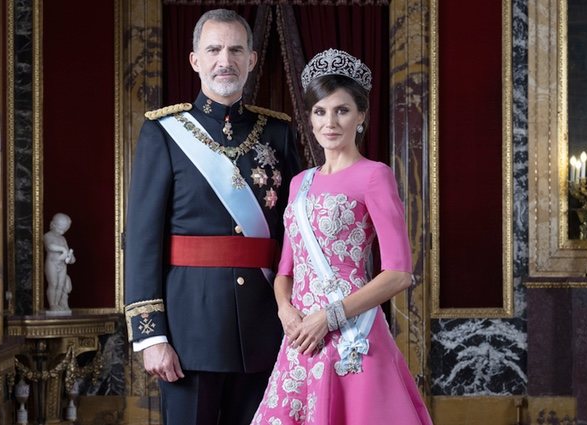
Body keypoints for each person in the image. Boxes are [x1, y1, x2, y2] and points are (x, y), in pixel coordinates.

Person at [124, 8, 300, 425]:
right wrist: (151, 335)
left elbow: (296, 232)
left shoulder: (278, 133)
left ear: (251, 60)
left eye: (236, 49)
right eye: (215, 49)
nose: (226, 60)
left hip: (264, 327)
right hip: (189, 333)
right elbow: (142, 240)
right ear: (195, 60)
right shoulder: (164, 132)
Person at [251, 49, 433, 424]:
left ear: (361, 116)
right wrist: (286, 311)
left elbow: (399, 273)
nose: (329, 122)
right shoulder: (300, 183)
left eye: (342, 110)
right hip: (302, 338)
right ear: (310, 116)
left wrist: (329, 317)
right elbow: (285, 270)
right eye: (320, 111)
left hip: (352, 334)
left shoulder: (374, 175)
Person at [44, 213, 75, 312]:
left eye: (65, 229)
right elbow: (50, 246)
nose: (62, 231)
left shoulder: (63, 238)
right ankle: (53, 304)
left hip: (62, 265)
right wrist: (62, 249)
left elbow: (67, 251)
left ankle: (58, 304)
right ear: (53, 225)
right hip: (52, 264)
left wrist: (70, 258)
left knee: (61, 285)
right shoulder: (47, 236)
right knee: (53, 283)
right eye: (60, 229)